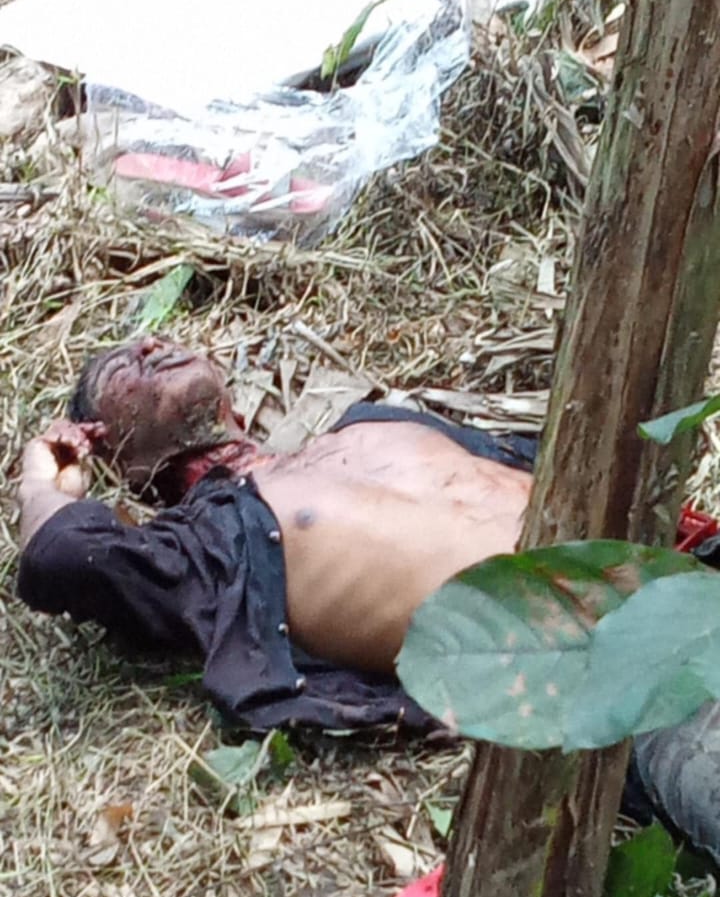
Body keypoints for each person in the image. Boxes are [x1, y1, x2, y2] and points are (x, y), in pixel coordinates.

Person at [16, 336, 720, 863]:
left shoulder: (370, 423)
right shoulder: (208, 546)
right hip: (624, 685)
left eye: (149, 342)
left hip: (692, 593)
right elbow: (61, 556)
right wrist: (43, 481)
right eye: (121, 370)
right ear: (121, 458)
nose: (149, 346)